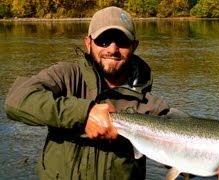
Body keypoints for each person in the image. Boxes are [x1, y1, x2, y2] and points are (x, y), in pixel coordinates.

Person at [5, 6, 170, 180]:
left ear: (134, 46)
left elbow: (183, 163)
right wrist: (84, 114)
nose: (112, 49)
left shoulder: (152, 107)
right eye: (103, 41)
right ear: (88, 43)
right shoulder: (67, 75)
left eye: (121, 41)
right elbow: (16, 100)